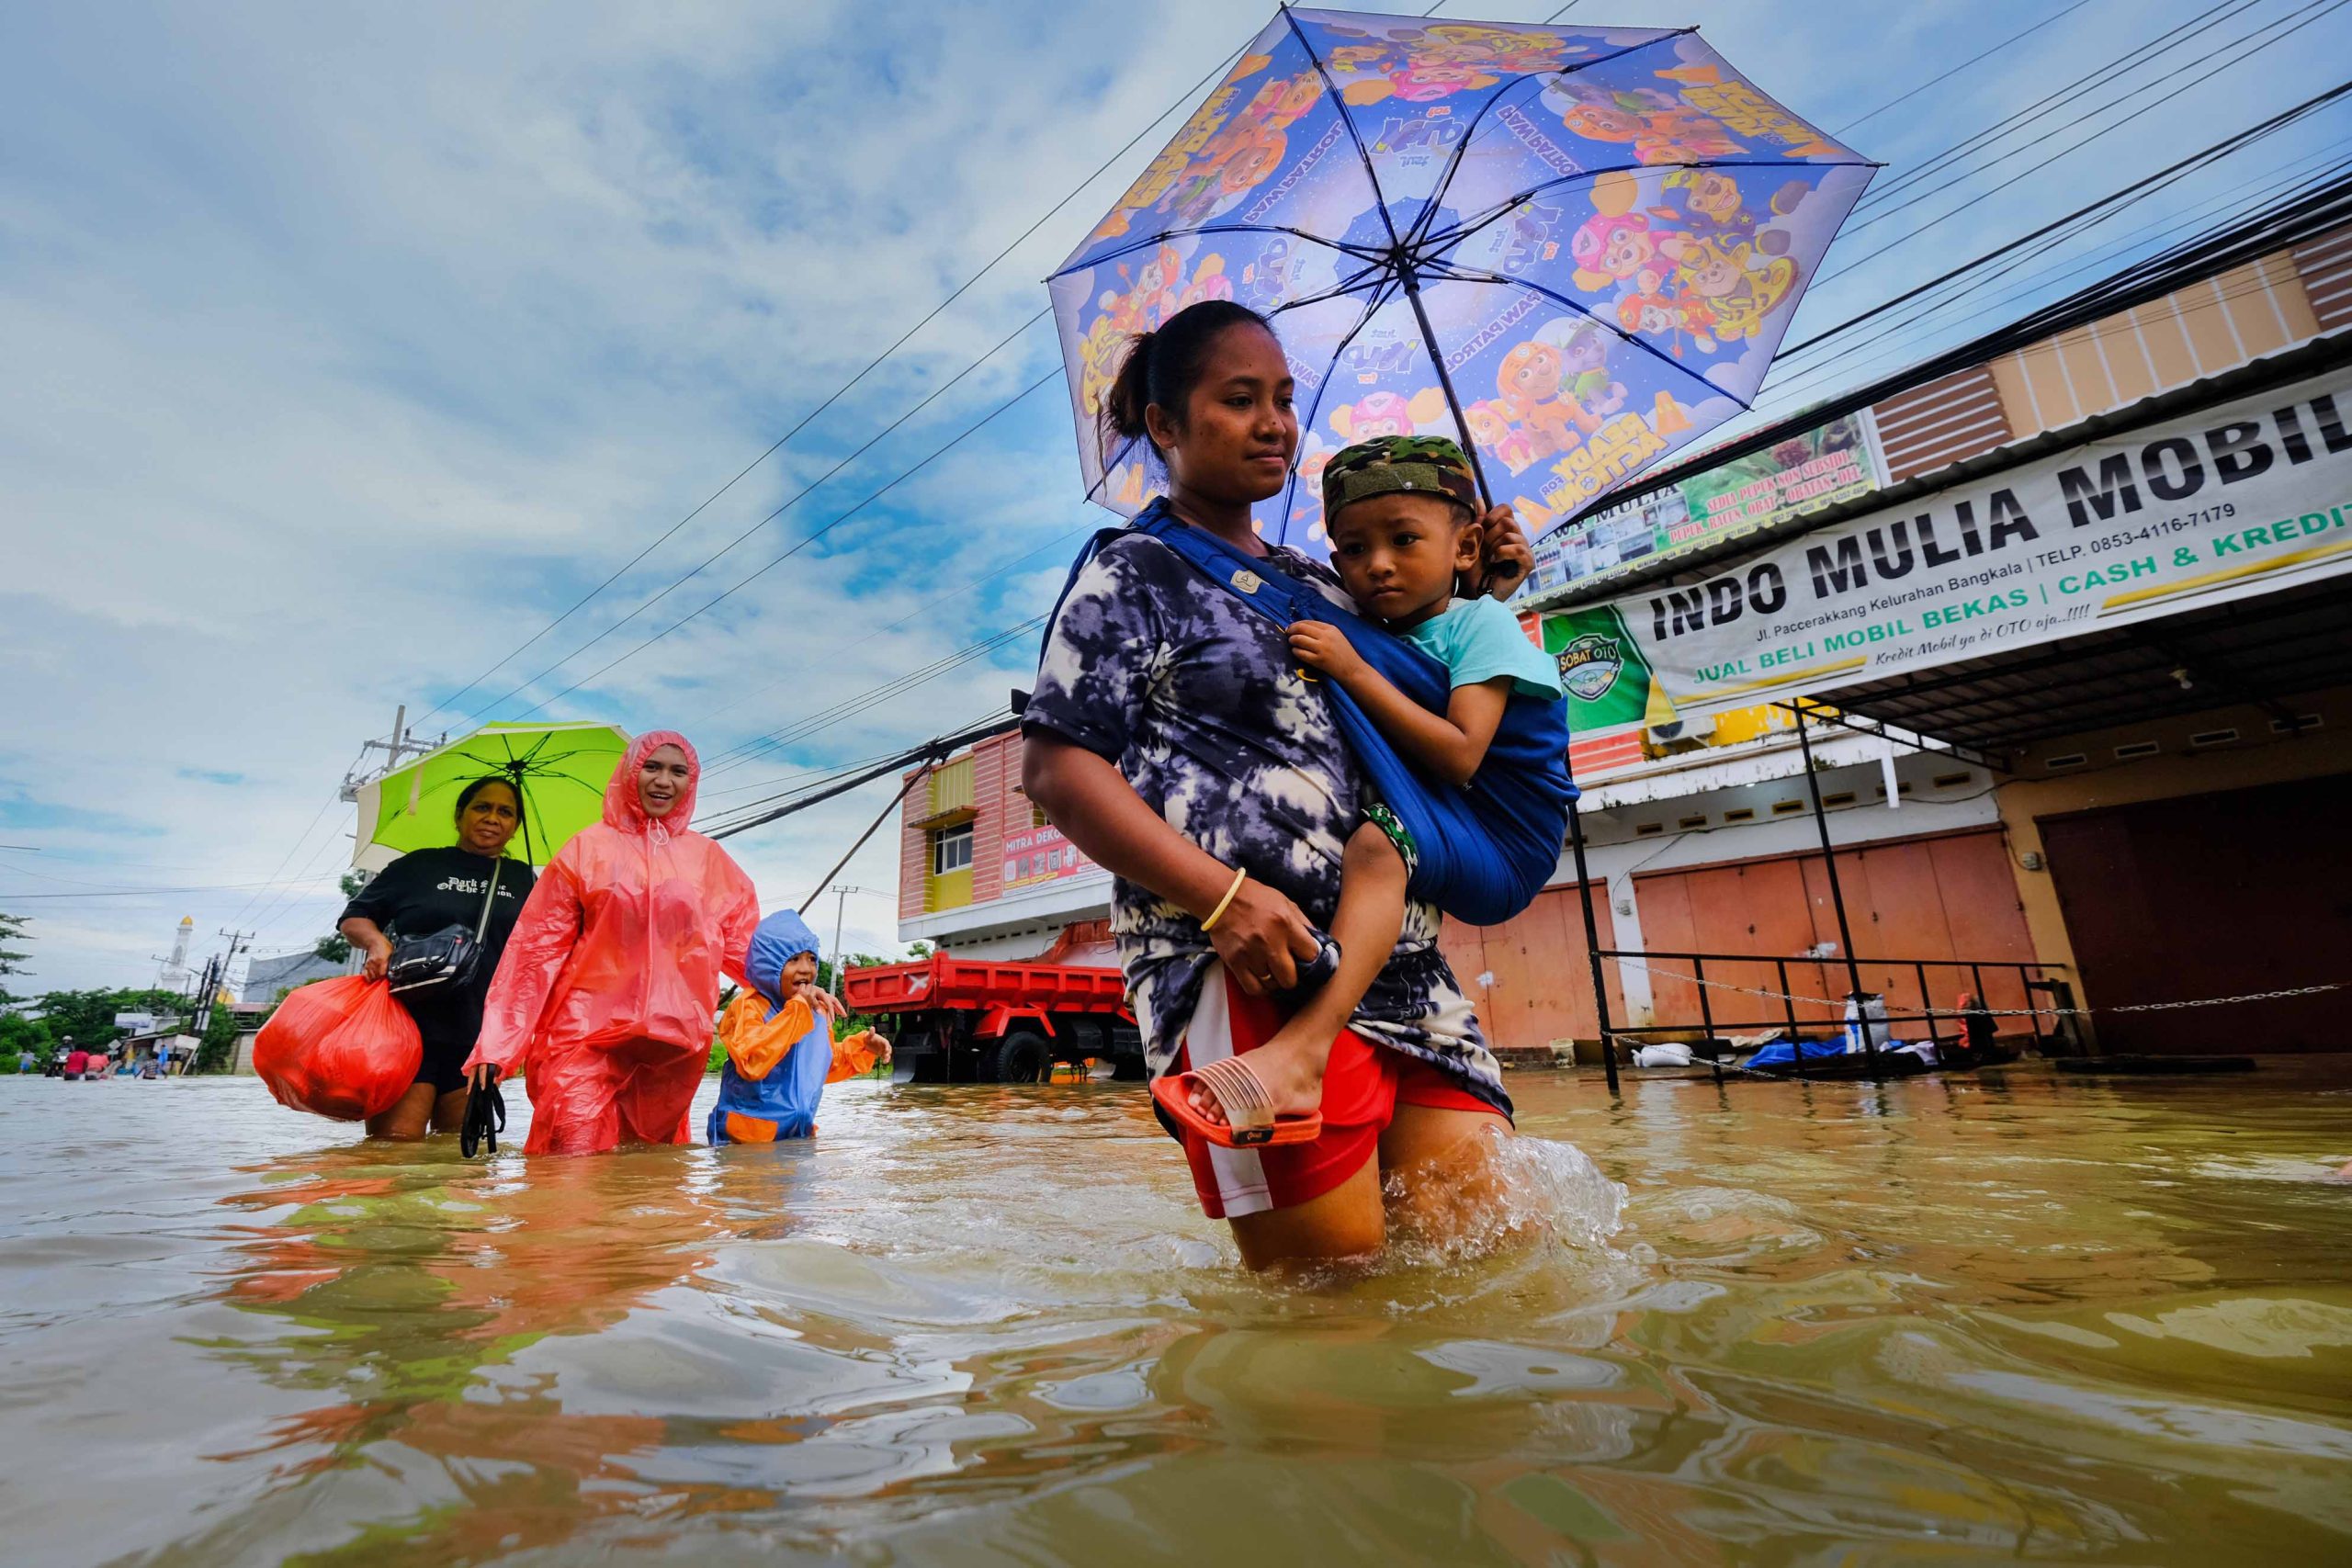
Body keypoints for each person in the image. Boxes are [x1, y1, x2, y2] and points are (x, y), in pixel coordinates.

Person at [1022, 299, 1534, 1270]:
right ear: (1165, 427)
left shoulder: (1326, 579)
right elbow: (1057, 768)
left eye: (1285, 400)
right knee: (1329, 1315)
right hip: (1255, 967)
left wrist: (1482, 581)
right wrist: (1221, 899)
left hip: (1402, 972)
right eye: (1240, 399)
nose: (1274, 424)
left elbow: (1420, 679)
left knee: (1492, 1269)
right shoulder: (1132, 575)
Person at [1150, 435, 1567, 1139]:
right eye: (1353, 547)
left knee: (1377, 845)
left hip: (1507, 831)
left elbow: (1463, 753)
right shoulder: (1405, 624)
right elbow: (1425, 651)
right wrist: (1478, 583)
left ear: (1463, 547)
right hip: (1455, 813)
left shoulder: (1482, 624)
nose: (1377, 564)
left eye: (1405, 539)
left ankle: (1305, 1050)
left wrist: (1351, 667)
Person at [464, 731, 763, 1156]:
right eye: (652, 768)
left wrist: (797, 984)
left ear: (691, 782)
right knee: (571, 1156)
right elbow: (535, 953)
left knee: (649, 1178)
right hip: (582, 1035)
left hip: (671, 1046)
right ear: (629, 773)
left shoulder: (708, 859)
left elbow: (744, 944)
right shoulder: (586, 849)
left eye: (678, 772)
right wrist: (497, 1043)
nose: (664, 781)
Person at [338, 777, 538, 1140]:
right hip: (406, 1031)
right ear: (460, 816)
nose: (492, 818)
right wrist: (377, 943)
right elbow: (354, 918)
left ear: (514, 828)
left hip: (478, 1039)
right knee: (393, 1151)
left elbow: (544, 949)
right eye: (482, 807)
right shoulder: (418, 866)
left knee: (457, 1165)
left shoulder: (524, 880)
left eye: (505, 812)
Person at [707, 909, 876, 1145]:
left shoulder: (814, 1011)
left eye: (812, 959)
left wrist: (864, 1047)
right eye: (794, 959)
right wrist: (798, 1009)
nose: (806, 968)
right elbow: (753, 1060)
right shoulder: (749, 1007)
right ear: (768, 964)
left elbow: (819, 1065)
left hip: (796, 1139)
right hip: (746, 1145)